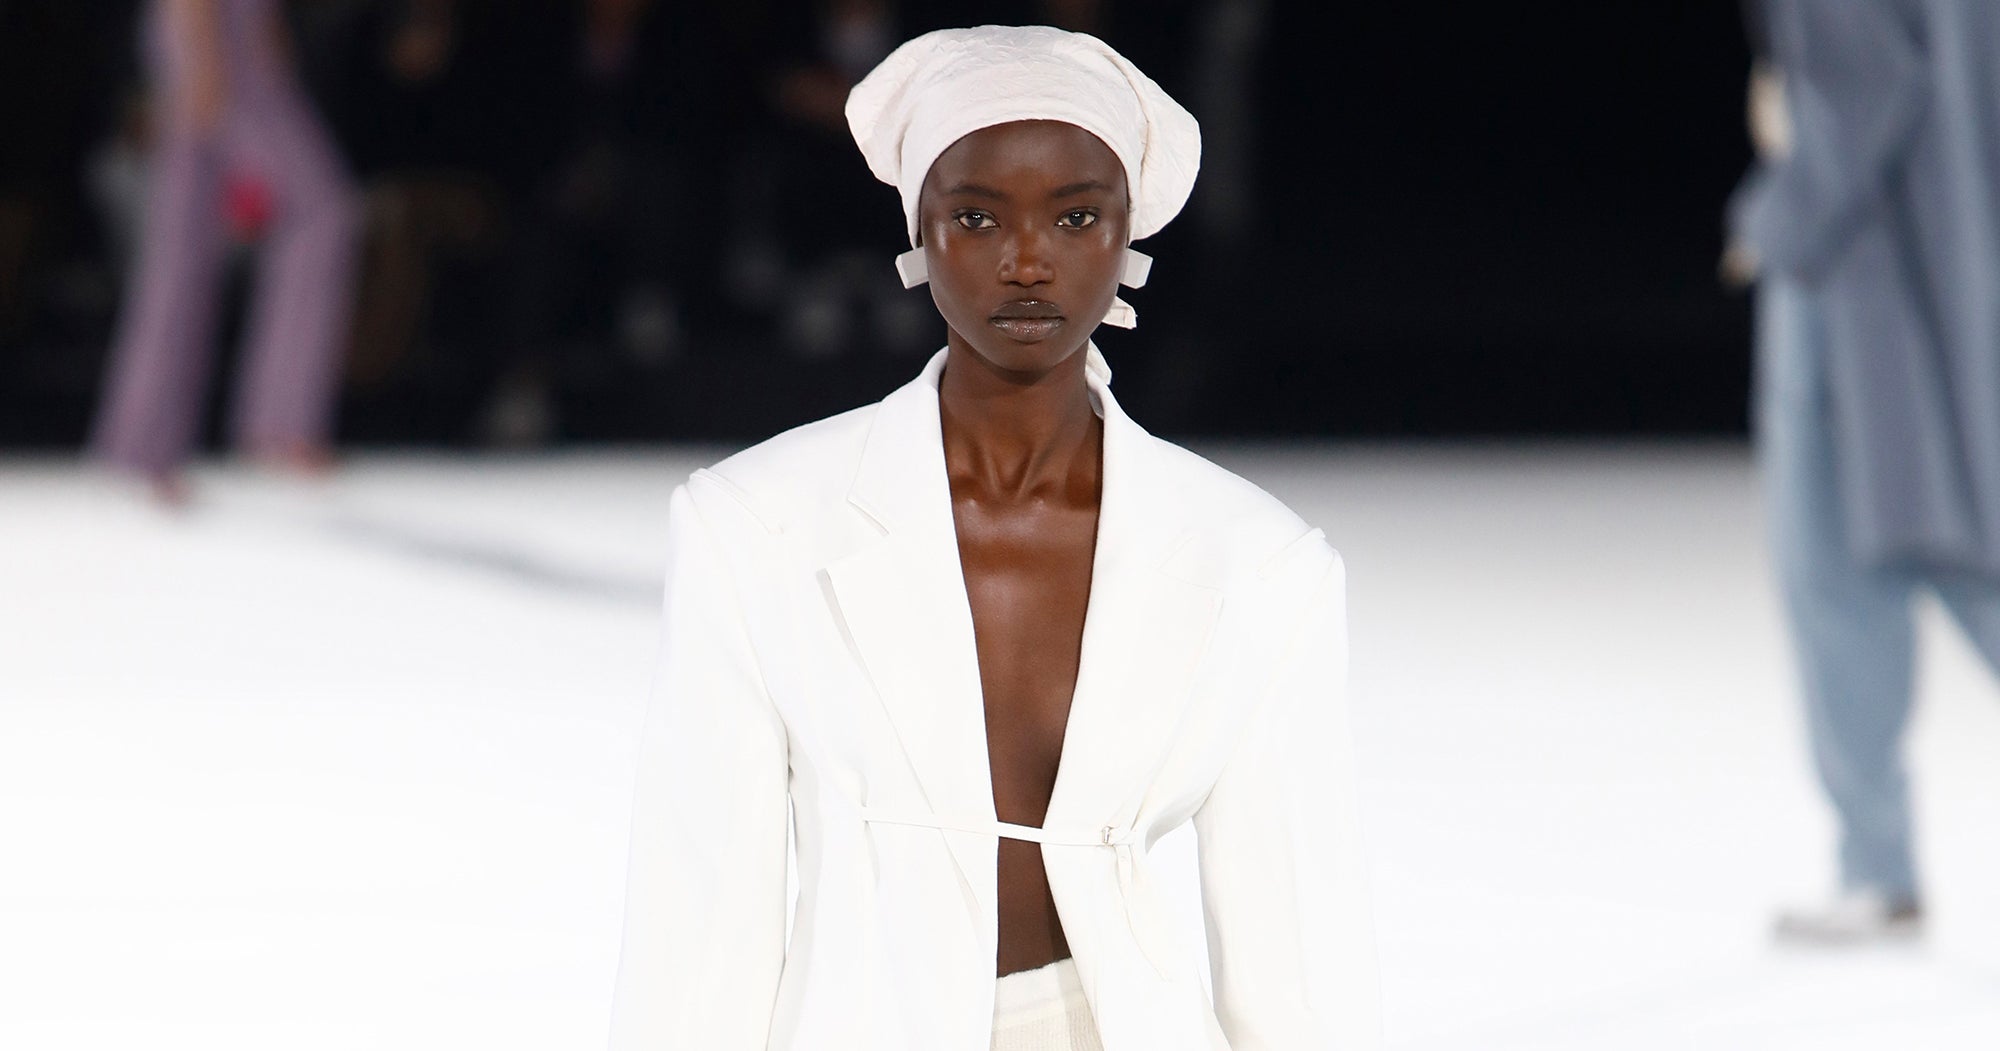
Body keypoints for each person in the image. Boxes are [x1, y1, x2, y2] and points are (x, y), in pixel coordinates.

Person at [608, 25, 1378, 1051]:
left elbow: (1296, 957)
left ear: (1127, 236)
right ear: (917, 232)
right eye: (976, 216)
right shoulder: (757, 524)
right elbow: (701, 920)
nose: (1026, 260)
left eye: (1076, 216)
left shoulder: (1258, 562)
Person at [1728, 0, 2000, 943]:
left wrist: (1780, 214)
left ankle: (1875, 862)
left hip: (1861, 263)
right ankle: (1874, 863)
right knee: (1934, 539)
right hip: (1946, 241)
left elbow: (1868, 82)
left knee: (1847, 556)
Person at [92, 0, 360, 503]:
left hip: (219, 37)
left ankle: (142, 444)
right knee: (321, 214)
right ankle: (282, 421)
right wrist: (202, 53)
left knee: (181, 255)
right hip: (218, 41)